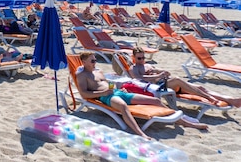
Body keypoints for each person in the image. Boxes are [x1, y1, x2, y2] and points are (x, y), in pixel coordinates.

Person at [76, 52, 207, 139]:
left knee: (155, 100)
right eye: (92, 61)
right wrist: (103, 93)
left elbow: (107, 83)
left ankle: (184, 122)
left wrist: (119, 88)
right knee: (122, 106)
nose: (95, 62)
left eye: (95, 60)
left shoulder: (99, 71)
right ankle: (141, 133)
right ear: (84, 62)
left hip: (117, 92)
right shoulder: (82, 75)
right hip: (105, 97)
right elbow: (84, 94)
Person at [129, 47, 241, 108]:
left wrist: (164, 72)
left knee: (200, 87)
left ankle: (231, 100)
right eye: (139, 58)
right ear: (133, 58)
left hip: (167, 83)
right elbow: (138, 79)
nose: (142, 60)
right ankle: (209, 98)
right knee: (178, 79)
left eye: (143, 57)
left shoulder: (147, 65)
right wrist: (158, 75)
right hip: (157, 87)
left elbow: (159, 71)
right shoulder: (133, 68)